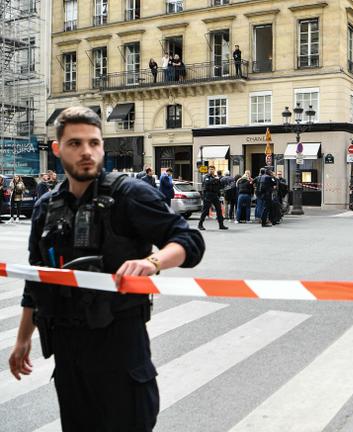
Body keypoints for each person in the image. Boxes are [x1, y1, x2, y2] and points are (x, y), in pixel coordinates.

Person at [7, 106, 205, 432]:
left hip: (121, 351)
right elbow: (37, 276)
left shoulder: (130, 195)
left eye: (93, 143)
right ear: (57, 149)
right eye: (75, 143)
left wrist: (152, 262)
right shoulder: (46, 206)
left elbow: (187, 239)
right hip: (69, 354)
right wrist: (23, 338)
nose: (86, 151)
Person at [198, 166, 227, 231]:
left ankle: (221, 225)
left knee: (219, 210)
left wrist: (220, 182)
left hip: (215, 195)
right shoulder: (206, 177)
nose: (211, 170)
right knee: (205, 210)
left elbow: (219, 186)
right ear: (208, 170)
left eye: (213, 169)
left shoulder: (215, 177)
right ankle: (200, 224)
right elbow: (207, 183)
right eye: (210, 169)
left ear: (214, 170)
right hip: (208, 195)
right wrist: (215, 180)